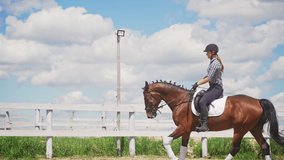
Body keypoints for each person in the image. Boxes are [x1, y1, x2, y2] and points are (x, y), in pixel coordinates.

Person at [191, 43, 224, 132]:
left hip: (217, 88)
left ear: (212, 52)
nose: (206, 54)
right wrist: (197, 82)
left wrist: (198, 84)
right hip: (212, 87)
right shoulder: (212, 62)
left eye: (207, 52)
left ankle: (205, 125)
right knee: (199, 96)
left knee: (203, 101)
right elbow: (207, 76)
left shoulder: (215, 63)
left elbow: (209, 78)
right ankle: (199, 120)